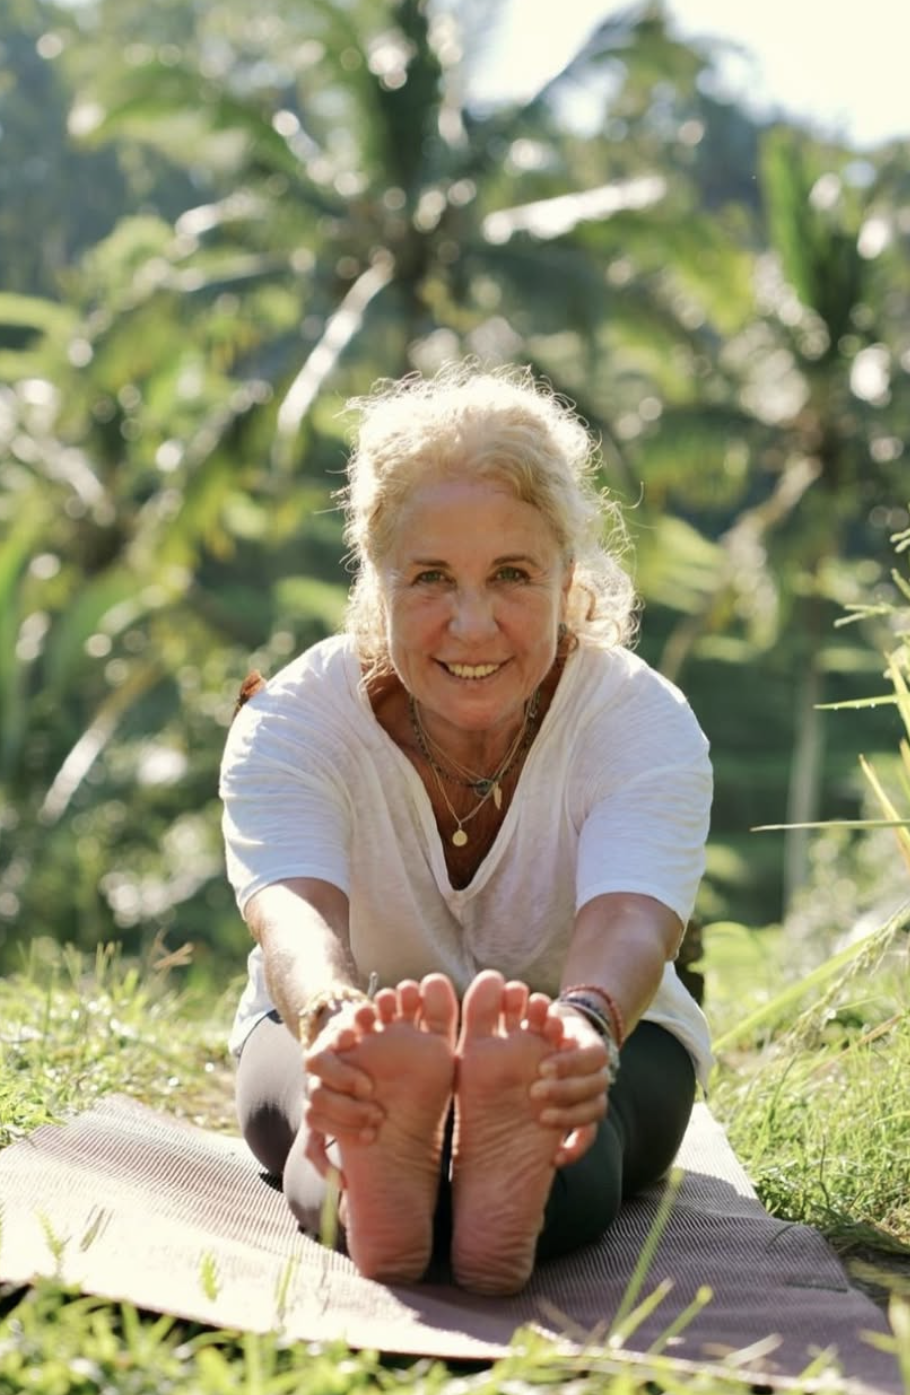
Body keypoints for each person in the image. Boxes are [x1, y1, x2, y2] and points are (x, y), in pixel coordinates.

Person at [220, 363, 712, 1294]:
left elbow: (633, 918)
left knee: (579, 1145)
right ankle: (377, 1168)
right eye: (432, 578)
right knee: (322, 1113)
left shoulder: (641, 723)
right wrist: (333, 1024)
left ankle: (490, 1173)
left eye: (513, 576)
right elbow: (293, 913)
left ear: (570, 577)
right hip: (349, 1018)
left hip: (602, 1031)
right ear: (376, 579)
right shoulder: (291, 721)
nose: (472, 623)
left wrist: (585, 1026)